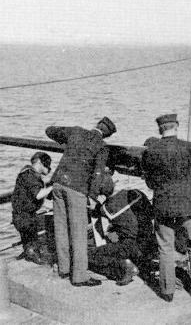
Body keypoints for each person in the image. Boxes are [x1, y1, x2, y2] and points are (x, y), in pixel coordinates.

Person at [141, 113, 191, 302]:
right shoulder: (189, 147)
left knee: (165, 247)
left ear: (160, 129)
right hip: (186, 207)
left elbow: (150, 183)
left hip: (162, 208)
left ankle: (167, 291)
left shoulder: (150, 151)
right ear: (177, 126)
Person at [46, 117, 117, 287]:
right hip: (76, 189)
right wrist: (92, 197)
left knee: (61, 227)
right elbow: (98, 174)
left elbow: (50, 130)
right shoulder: (102, 147)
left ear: (96, 125)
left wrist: (66, 140)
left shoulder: (76, 131)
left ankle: (64, 268)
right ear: (107, 135)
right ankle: (79, 277)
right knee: (78, 234)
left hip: (58, 183)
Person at [88, 172, 156, 286]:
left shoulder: (105, 208)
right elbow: (151, 214)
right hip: (150, 241)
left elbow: (101, 213)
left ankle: (123, 267)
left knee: (89, 254)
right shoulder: (135, 193)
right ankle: (140, 262)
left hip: (130, 246)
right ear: (114, 183)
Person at [11, 151, 53, 264]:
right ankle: (32, 255)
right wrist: (53, 186)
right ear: (39, 163)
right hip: (24, 217)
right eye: (47, 165)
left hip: (22, 215)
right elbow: (38, 194)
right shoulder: (30, 175)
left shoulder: (27, 174)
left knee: (29, 239)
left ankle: (29, 252)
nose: (49, 168)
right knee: (31, 240)